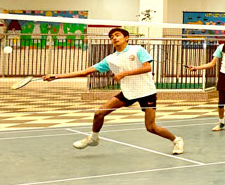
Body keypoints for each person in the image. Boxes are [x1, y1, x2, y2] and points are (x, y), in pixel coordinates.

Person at [44, 27, 184, 155]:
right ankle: (93, 138)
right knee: (99, 113)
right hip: (128, 92)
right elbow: (85, 72)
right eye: (111, 37)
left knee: (151, 127)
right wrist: (57, 76)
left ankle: (176, 140)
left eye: (117, 35)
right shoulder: (110, 59)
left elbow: (147, 68)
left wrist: (124, 73)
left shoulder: (137, 50)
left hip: (146, 92)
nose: (114, 38)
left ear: (126, 38)